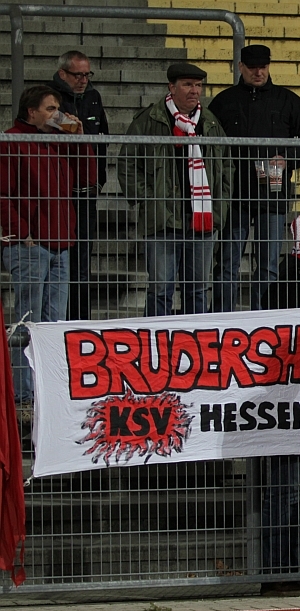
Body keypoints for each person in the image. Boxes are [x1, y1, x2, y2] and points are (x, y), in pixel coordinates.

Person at [1, 85, 96, 418]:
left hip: (60, 242)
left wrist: (80, 139)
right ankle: (23, 395)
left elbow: (87, 178)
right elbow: (3, 194)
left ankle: (48, 392)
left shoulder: (59, 139)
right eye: (50, 108)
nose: (57, 114)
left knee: (54, 323)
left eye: (57, 108)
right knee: (28, 321)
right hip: (30, 244)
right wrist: (21, 233)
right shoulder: (11, 140)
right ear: (32, 112)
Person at [209, 44, 300, 312]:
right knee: (228, 262)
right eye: (252, 67)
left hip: (273, 196)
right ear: (240, 67)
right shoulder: (224, 102)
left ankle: (263, 319)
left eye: (263, 67)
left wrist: (287, 159)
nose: (258, 72)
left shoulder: (288, 100)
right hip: (234, 195)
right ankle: (223, 317)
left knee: (268, 265)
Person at [119, 63, 232, 317]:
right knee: (160, 289)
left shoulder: (210, 122)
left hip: (201, 219)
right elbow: (127, 162)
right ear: (172, 87)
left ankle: (195, 337)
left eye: (198, 85)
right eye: (188, 85)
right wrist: (148, 199)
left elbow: (226, 167)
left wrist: (220, 206)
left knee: (198, 289)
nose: (195, 91)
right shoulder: (150, 120)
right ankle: (157, 336)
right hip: (163, 220)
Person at [50, 50, 109, 321]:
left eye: (87, 74)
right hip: (58, 193)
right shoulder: (48, 98)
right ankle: (58, 319)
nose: (83, 80)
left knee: (82, 263)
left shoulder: (93, 97)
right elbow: (50, 123)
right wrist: (75, 129)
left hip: (86, 192)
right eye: (78, 75)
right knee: (60, 260)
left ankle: (79, 320)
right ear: (62, 73)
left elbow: (102, 139)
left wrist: (99, 180)